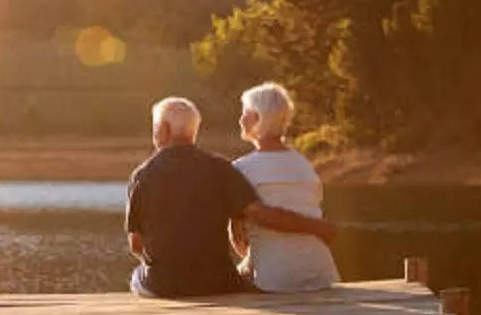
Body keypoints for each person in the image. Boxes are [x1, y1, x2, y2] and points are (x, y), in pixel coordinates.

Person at [126, 96, 336, 298]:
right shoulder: (220, 168)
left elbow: (136, 245)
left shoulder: (142, 175)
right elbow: (258, 213)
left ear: (163, 130)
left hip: (164, 286)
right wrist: (316, 226)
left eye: (155, 128)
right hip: (218, 282)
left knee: (136, 277)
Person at [230, 83, 340, 292]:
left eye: (245, 113)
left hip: (275, 281)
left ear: (256, 118)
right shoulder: (304, 165)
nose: (240, 119)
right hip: (322, 274)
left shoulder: (240, 169)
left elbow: (237, 238)